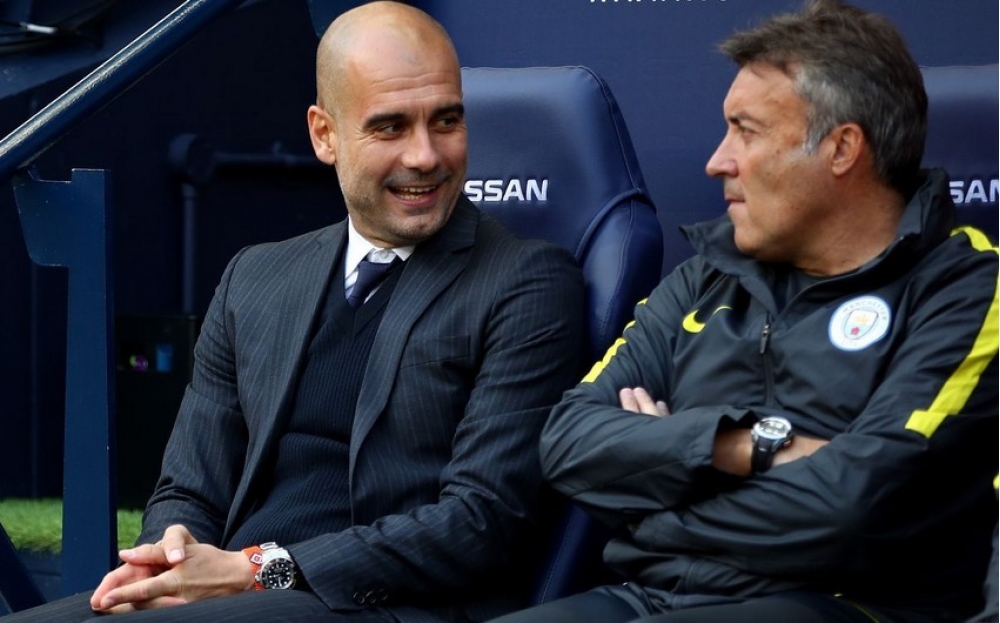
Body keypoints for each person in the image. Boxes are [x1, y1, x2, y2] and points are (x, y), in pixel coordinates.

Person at [4, 2, 585, 622]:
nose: (425, 156)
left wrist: (256, 571)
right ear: (324, 135)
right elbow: (189, 487)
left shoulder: (526, 281)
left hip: (389, 606)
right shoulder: (254, 277)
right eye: (390, 127)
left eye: (446, 121)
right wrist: (173, 554)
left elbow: (480, 524)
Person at [489, 1, 999, 623]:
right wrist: (740, 444)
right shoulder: (706, 275)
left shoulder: (966, 287)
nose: (717, 161)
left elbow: (854, 508)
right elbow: (568, 443)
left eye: (746, 131)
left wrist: (657, 496)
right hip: (649, 597)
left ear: (841, 149)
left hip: (847, 606)